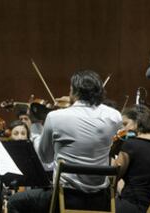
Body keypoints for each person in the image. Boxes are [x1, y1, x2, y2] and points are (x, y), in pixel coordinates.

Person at [8, 70, 122, 213]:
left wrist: (36, 131)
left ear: (73, 91)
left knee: (14, 202)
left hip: (65, 198)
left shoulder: (56, 117)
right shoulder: (114, 116)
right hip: (100, 199)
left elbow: (46, 157)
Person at [113, 105, 150, 213]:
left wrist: (110, 155)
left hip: (132, 206)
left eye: (125, 124)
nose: (124, 129)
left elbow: (114, 178)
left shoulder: (130, 145)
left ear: (136, 122)